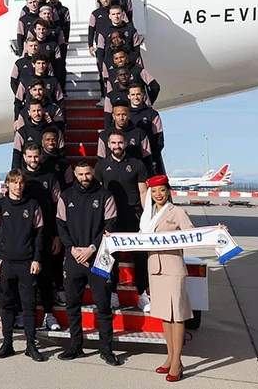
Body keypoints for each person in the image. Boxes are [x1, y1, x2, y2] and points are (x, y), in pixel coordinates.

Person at [55, 161, 120, 365]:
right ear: (75, 174)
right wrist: (73, 249)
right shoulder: (65, 197)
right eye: (81, 174)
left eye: (88, 174)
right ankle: (76, 346)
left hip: (98, 257)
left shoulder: (105, 195)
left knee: (103, 305)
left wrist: (91, 248)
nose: (85, 177)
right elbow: (61, 225)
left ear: (93, 173)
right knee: (73, 305)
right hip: (74, 257)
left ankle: (106, 349)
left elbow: (111, 225)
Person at [140, 175, 201, 382]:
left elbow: (192, 236)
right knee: (166, 315)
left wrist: (215, 232)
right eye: (154, 191)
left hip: (173, 268)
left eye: (162, 190)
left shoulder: (178, 212)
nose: (158, 195)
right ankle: (170, 357)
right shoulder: (148, 215)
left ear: (168, 192)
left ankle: (177, 361)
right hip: (155, 269)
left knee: (177, 315)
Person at [0, 170, 47, 362]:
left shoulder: (33, 206)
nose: (18, 186)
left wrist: (37, 259)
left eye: (21, 183)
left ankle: (31, 345)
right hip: (6, 263)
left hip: (27, 263)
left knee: (29, 306)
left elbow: (40, 235)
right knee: (6, 305)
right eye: (14, 183)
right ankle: (7, 343)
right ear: (7, 184)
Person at [96, 131, 151, 305]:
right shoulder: (101, 166)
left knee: (140, 257)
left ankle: (142, 293)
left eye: (120, 142)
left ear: (125, 143)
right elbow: (97, 193)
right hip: (111, 217)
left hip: (133, 216)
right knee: (112, 256)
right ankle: (113, 293)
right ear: (108, 145)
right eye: (113, 143)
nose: (117, 146)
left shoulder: (137, 165)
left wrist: (146, 217)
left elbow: (143, 192)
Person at [20, 144, 64, 332]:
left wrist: (56, 235)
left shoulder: (50, 178)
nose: (33, 160)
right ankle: (23, 313)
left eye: (36, 156)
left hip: (46, 235)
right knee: (25, 278)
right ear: (24, 157)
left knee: (46, 277)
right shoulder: (19, 178)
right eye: (29, 156)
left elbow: (58, 209)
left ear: (40, 156)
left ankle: (49, 314)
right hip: (23, 237)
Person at [97, 105, 153, 173]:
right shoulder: (104, 135)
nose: (121, 118)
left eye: (124, 114)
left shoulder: (140, 133)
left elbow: (147, 158)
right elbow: (101, 158)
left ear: (129, 115)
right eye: (118, 115)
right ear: (113, 116)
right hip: (111, 175)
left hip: (135, 175)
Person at [129, 85, 166, 176]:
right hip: (129, 159)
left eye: (138, 94)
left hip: (148, 158)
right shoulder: (124, 114)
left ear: (143, 95)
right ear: (128, 96)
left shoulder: (152, 114)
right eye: (133, 94)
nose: (135, 97)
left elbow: (159, 139)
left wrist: (153, 159)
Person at [13, 101, 60, 169]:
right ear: (29, 112)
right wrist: (16, 171)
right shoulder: (22, 131)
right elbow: (17, 153)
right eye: (34, 111)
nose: (36, 113)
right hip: (29, 172)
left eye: (39, 110)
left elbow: (61, 150)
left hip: (50, 170)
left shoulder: (53, 129)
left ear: (43, 110)